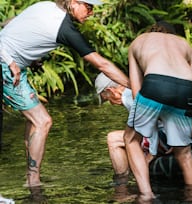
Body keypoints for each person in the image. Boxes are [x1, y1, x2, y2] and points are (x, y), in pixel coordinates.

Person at [0, 0, 129, 187]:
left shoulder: (46, 5)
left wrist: (31, 57)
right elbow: (101, 64)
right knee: (43, 121)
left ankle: (31, 176)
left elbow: (11, 24)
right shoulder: (64, 28)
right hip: (7, 67)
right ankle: (33, 181)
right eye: (89, 7)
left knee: (33, 121)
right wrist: (134, 86)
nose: (91, 13)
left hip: (12, 63)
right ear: (74, 2)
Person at [124, 21, 192, 201]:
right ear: (173, 34)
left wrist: (152, 142)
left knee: (130, 140)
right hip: (184, 88)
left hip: (154, 82)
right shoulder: (185, 45)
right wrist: (184, 138)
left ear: (150, 31)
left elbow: (137, 95)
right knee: (184, 155)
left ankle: (146, 195)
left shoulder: (138, 41)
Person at [94, 73, 192, 184]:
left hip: (178, 140)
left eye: (107, 99)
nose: (112, 104)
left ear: (111, 90)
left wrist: (152, 154)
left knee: (113, 139)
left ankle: (122, 183)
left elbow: (150, 127)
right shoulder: (142, 86)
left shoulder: (129, 97)